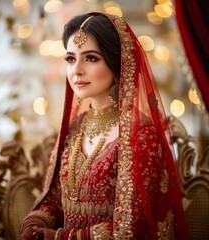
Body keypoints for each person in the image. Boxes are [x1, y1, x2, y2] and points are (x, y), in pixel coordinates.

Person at [18, 12, 190, 239]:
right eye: (71, 59)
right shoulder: (74, 127)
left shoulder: (141, 135)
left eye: (90, 58)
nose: (76, 70)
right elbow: (53, 200)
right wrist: (34, 224)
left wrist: (57, 237)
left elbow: (128, 228)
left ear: (116, 62)